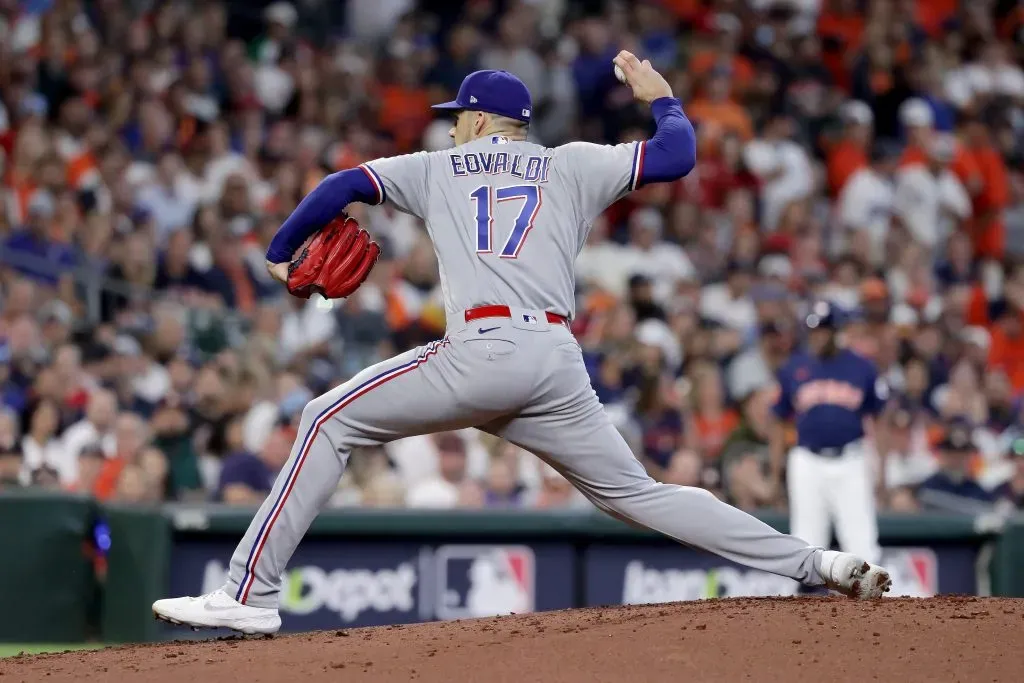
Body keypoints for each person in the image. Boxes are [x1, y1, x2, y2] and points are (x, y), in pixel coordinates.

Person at [153, 58, 891, 635]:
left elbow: (341, 184)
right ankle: (815, 560)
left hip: (482, 348)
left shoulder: (437, 168)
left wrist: (283, 251)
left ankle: (247, 593)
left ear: (480, 120)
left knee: (325, 417)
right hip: (553, 361)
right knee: (640, 495)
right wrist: (660, 96)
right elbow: (677, 155)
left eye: (457, 116)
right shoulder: (572, 162)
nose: (449, 128)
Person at [771, 301, 888, 565]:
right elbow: (778, 420)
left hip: (852, 460)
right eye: (814, 331)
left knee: (862, 545)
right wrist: (776, 470)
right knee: (805, 544)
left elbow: (880, 419)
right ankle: (806, 605)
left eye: (823, 330)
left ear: (837, 332)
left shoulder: (862, 367)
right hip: (807, 461)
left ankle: (871, 606)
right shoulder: (794, 367)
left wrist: (882, 466)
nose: (818, 336)